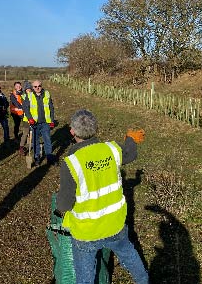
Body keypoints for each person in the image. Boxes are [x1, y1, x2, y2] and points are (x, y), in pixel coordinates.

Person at [55, 110, 148, 284]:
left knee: (85, 276)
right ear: (96, 128)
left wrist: (59, 210)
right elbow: (130, 153)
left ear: (72, 132)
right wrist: (130, 139)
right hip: (115, 225)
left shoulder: (71, 163)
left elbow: (64, 204)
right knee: (129, 255)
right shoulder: (111, 150)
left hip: (86, 232)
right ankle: (143, 280)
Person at [24, 79, 56, 165]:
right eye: (35, 87)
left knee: (47, 140)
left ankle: (49, 157)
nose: (38, 88)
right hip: (34, 123)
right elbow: (26, 108)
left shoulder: (47, 94)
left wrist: (52, 120)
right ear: (32, 87)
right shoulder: (29, 96)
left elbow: (51, 108)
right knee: (35, 141)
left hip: (45, 122)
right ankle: (37, 157)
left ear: (41, 86)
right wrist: (30, 118)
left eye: (39, 86)